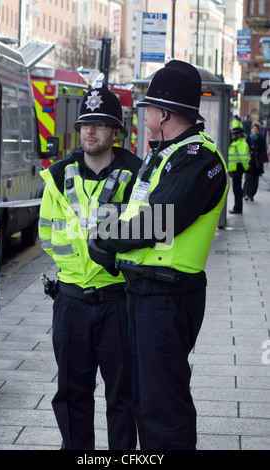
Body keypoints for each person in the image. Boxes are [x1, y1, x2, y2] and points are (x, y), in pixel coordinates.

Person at [88, 59, 230, 450]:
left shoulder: (199, 160)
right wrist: (107, 234)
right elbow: (133, 210)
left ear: (164, 112)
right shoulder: (164, 154)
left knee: (163, 405)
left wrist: (107, 240)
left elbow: (159, 220)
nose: (146, 114)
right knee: (142, 399)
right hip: (143, 293)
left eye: (149, 107)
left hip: (168, 296)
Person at [38, 81, 141, 450]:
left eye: (99, 124)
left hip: (118, 300)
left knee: (124, 397)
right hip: (70, 301)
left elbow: (149, 237)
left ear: (116, 131)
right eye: (85, 124)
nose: (90, 131)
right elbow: (48, 236)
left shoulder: (138, 177)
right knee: (70, 395)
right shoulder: (58, 176)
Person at [228, 124, 251, 214]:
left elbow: (244, 158)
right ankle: (237, 207)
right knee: (236, 189)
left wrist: (246, 168)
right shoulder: (236, 143)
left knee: (237, 190)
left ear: (238, 134)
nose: (232, 136)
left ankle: (237, 208)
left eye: (234, 134)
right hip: (235, 169)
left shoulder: (241, 143)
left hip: (238, 169)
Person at [243, 123, 268, 201]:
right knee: (248, 178)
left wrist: (265, 161)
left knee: (255, 179)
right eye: (253, 129)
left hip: (258, 163)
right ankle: (246, 194)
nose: (255, 130)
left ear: (258, 131)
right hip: (249, 162)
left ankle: (252, 194)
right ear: (251, 130)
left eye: (256, 129)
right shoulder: (247, 139)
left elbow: (263, 151)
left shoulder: (261, 139)